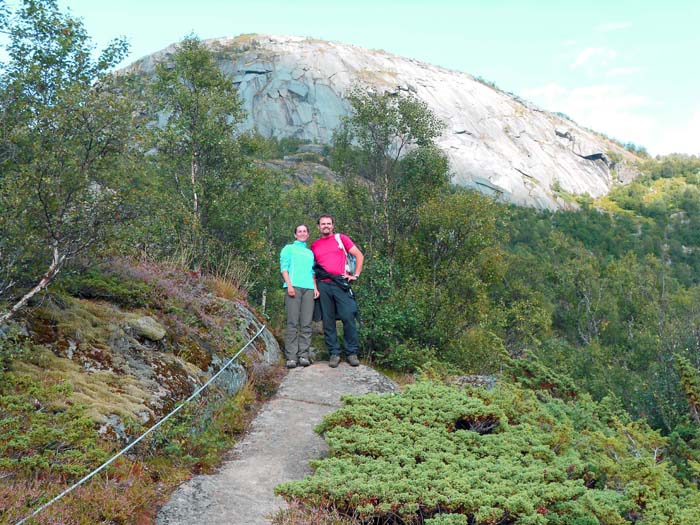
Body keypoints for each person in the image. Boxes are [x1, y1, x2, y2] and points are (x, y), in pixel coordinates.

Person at [310, 214, 364, 368]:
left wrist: (355, 275)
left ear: (332, 225)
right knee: (328, 320)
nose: (326, 226)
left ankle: (351, 353)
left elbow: (359, 255)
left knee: (348, 316)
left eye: (328, 223)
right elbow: (314, 268)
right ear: (318, 227)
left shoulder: (342, 239)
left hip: (340, 283)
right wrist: (315, 286)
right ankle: (334, 353)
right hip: (323, 285)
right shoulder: (314, 245)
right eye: (323, 224)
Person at [280, 224, 319, 369]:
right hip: (293, 287)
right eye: (299, 231)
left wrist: (315, 287)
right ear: (295, 235)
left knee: (307, 323)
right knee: (292, 322)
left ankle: (303, 355)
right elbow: (284, 268)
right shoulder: (288, 249)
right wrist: (289, 285)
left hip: (308, 288)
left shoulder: (310, 253)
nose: (302, 233)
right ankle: (291, 357)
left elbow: (312, 272)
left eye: (305, 231)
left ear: (308, 235)